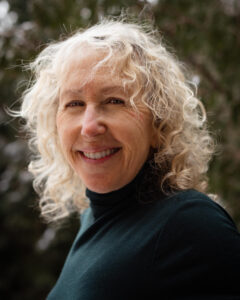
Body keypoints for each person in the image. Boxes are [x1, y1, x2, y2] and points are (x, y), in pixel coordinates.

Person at [18, 19, 240, 299]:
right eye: (74, 104)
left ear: (159, 125)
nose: (89, 126)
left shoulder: (189, 225)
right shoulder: (94, 217)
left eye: (114, 101)